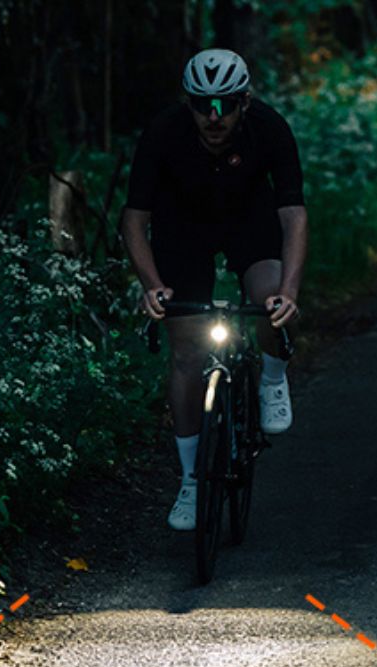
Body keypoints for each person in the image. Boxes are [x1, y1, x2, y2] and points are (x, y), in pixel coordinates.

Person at [121, 48, 308, 531]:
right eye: (203, 105)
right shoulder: (164, 133)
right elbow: (135, 220)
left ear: (245, 101)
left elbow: (293, 215)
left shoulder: (269, 127)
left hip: (250, 220)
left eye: (225, 104)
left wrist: (289, 292)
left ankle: (271, 377)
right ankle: (191, 479)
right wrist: (152, 286)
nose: (214, 117)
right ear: (189, 103)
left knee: (270, 298)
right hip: (183, 228)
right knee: (186, 352)